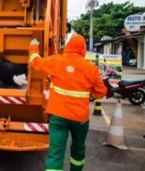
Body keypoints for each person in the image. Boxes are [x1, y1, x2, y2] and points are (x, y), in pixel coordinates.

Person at [28, 34, 107, 171]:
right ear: (83, 49)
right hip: (80, 119)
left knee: (55, 153)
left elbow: (36, 62)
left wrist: (33, 46)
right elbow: (101, 92)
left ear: (68, 46)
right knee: (78, 149)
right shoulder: (90, 68)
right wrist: (89, 92)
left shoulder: (56, 61)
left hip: (58, 117)